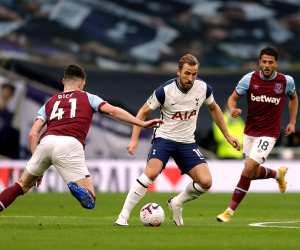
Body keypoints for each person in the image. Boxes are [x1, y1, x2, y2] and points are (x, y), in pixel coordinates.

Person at [0, 64, 162, 212]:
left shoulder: (49, 102)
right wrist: (141, 122)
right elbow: (113, 111)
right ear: (82, 82)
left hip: (46, 142)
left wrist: (38, 159)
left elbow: (32, 133)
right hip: (70, 144)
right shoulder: (88, 98)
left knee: (21, 185)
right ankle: (76, 188)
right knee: (90, 199)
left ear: (64, 81)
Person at [115, 53, 241, 226]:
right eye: (187, 73)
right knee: (151, 172)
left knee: (206, 182)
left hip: (187, 142)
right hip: (164, 139)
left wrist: (227, 135)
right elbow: (143, 112)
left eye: (194, 74)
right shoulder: (164, 91)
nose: (190, 78)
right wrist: (134, 140)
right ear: (178, 72)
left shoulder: (203, 88)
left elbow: (214, 108)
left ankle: (177, 202)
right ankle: (123, 217)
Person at [217, 47, 298, 222]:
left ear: (276, 63)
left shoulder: (286, 81)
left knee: (248, 168)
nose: (267, 65)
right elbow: (232, 99)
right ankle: (278, 175)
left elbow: (293, 98)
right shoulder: (249, 79)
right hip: (250, 132)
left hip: (269, 133)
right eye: (264, 61)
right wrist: (232, 109)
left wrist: (292, 122)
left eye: (271, 62)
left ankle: (229, 211)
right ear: (259, 62)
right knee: (251, 172)